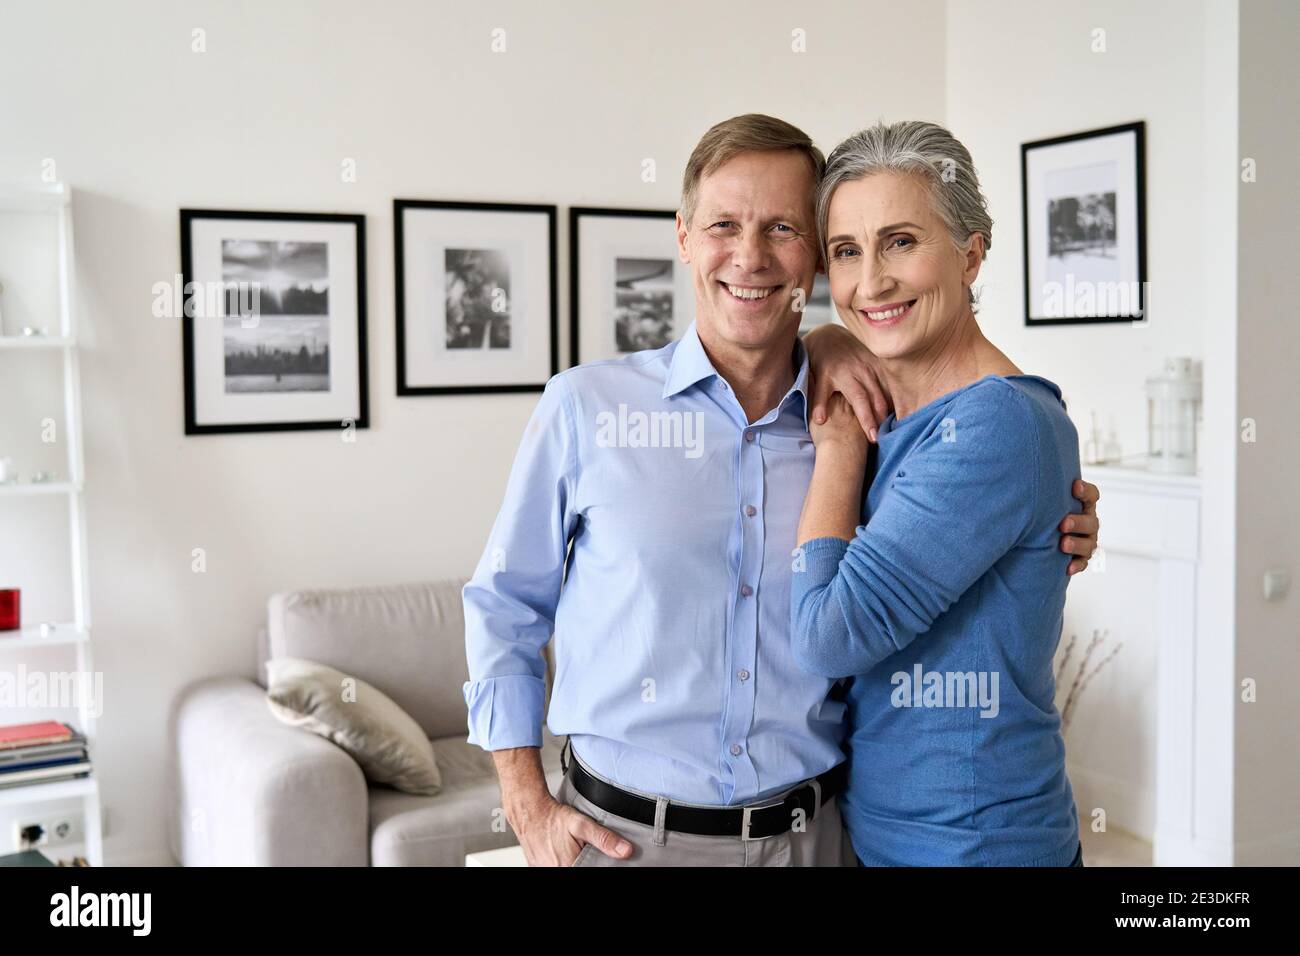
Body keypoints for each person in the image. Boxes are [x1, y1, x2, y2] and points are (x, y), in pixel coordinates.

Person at [462, 114, 1100, 866]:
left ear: (810, 264)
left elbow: (986, 480)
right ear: (683, 237)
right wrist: (525, 801)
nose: (749, 256)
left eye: (783, 230)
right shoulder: (585, 409)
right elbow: (504, 604)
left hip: (823, 840)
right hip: (625, 843)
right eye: (723, 224)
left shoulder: (867, 424)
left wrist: (1055, 512)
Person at [791, 120, 1088, 866]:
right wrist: (824, 341)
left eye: (901, 242)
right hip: (882, 828)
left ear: (971, 252)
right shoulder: (899, 409)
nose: (871, 282)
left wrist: (836, 446)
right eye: (847, 252)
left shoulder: (998, 423)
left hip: (975, 842)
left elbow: (829, 635)